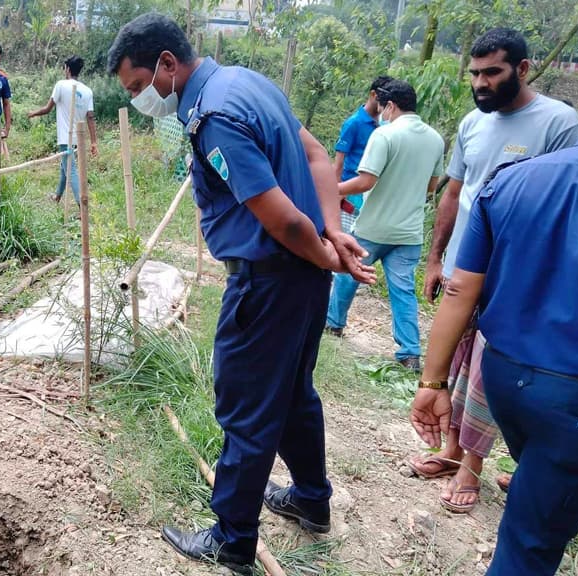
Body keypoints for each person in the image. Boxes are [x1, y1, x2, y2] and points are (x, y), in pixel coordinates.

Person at [107, 13, 374, 575]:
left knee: (244, 406)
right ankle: (310, 500)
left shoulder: (215, 116)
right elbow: (319, 157)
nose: (139, 100)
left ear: (166, 64)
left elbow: (281, 220)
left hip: (270, 279)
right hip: (302, 277)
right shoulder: (248, 82)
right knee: (294, 393)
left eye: (137, 88)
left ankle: (232, 540)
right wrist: (334, 232)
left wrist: (325, 244)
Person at [411, 129, 578, 576]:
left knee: (538, 509)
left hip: (505, 379)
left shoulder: (514, 179)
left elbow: (460, 291)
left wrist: (433, 382)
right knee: (529, 545)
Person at [414, 28, 578, 513]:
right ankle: (450, 450)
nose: (481, 83)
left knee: (488, 371)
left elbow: (562, 209)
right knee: (455, 362)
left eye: (493, 73)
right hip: (465, 268)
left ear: (523, 70)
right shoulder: (472, 123)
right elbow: (454, 193)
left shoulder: (558, 122)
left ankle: (474, 466)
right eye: (475, 74)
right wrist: (436, 257)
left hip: (514, 275)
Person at [326, 80, 445, 371]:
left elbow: (366, 180)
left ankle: (333, 325)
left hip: (374, 226)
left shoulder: (384, 135)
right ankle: (409, 352)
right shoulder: (435, 139)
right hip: (409, 231)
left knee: (347, 274)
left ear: (390, 106)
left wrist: (333, 189)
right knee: (403, 289)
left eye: (383, 110)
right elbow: (431, 187)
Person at [27, 56, 99, 204]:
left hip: (65, 137)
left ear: (67, 69)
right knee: (65, 166)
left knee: (70, 169)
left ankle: (82, 206)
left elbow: (47, 109)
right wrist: (93, 142)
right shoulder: (87, 91)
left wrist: (33, 113)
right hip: (78, 138)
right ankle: (57, 196)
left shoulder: (61, 85)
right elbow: (90, 117)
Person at [332, 76, 393, 233]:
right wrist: (335, 194)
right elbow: (338, 164)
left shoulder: (386, 125)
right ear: (373, 95)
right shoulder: (354, 123)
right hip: (349, 193)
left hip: (372, 195)